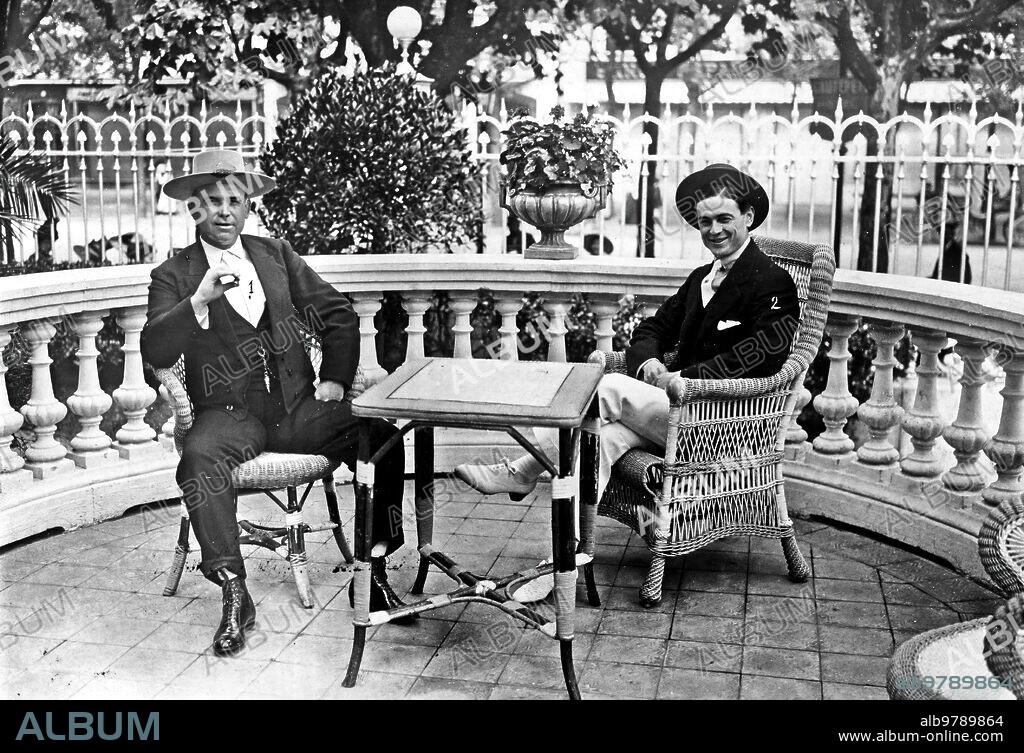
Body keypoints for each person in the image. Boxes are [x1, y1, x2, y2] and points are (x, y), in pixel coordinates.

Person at [455, 163, 800, 602]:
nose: (713, 230)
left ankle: (522, 470)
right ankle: (565, 560)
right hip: (672, 414)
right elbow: (650, 330)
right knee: (600, 437)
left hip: (725, 424)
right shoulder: (700, 279)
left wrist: (684, 378)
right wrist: (651, 365)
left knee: (605, 388)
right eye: (705, 221)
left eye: (724, 219)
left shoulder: (772, 282)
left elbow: (761, 356)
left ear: (748, 217)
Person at [140, 149, 412, 657]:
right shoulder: (173, 275)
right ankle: (234, 592)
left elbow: (338, 313)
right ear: (195, 209)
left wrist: (333, 379)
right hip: (228, 416)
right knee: (199, 460)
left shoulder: (274, 254)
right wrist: (196, 301)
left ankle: (373, 566)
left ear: (247, 208)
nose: (224, 211)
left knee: (383, 436)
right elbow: (154, 350)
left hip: (296, 409)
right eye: (213, 202)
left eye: (235, 201)